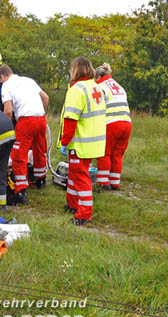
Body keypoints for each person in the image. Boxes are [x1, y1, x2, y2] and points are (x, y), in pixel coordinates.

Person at [58, 56, 107, 226]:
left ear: (76, 70)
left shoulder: (76, 89)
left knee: (80, 176)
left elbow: (71, 119)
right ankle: (72, 204)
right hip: (95, 141)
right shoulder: (96, 87)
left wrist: (64, 141)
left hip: (81, 142)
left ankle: (84, 213)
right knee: (73, 173)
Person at [0, 65, 50, 205]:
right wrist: (40, 112)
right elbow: (45, 98)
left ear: (2, 77)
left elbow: (8, 111)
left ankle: (20, 189)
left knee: (19, 155)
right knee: (39, 150)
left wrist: (4, 127)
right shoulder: (29, 80)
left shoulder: (7, 85)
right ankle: (40, 180)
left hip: (26, 121)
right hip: (40, 118)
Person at [95, 63, 132, 191]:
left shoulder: (100, 86)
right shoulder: (119, 86)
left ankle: (103, 182)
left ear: (99, 76)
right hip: (127, 123)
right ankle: (115, 182)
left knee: (104, 153)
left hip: (111, 123)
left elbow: (98, 106)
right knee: (118, 154)